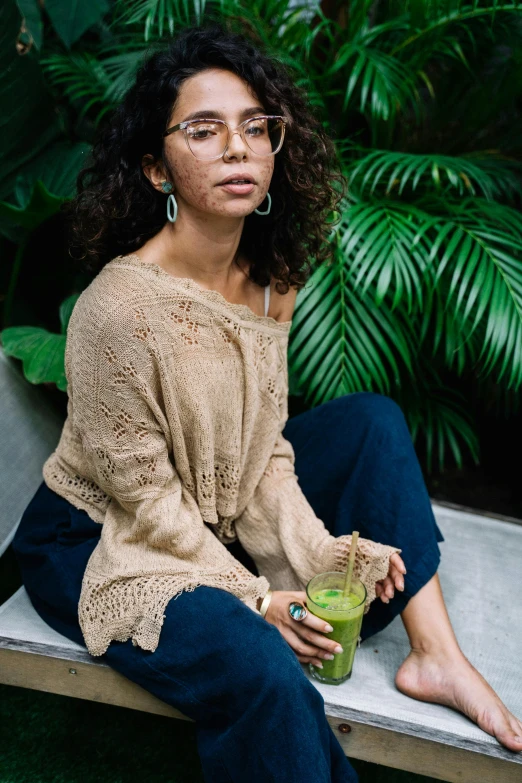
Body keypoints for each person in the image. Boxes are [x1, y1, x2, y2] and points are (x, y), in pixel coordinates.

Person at [12, 21, 522, 783]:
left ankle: (436, 655)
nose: (238, 147)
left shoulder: (271, 274)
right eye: (205, 130)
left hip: (209, 504)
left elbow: (260, 451)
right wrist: (257, 600)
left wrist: (320, 554)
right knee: (258, 660)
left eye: (256, 127)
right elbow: (150, 510)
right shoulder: (118, 311)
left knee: (373, 421)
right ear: (156, 170)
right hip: (102, 536)